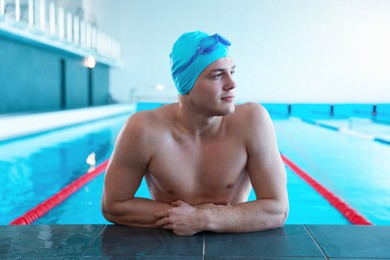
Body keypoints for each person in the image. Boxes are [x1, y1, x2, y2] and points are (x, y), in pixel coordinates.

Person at [101, 31, 289, 236]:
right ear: (186, 83)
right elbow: (113, 205)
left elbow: (277, 210)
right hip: (169, 247)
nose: (232, 83)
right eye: (218, 75)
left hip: (232, 246)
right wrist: (184, 217)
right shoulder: (144, 129)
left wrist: (202, 219)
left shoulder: (253, 121)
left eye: (232, 72)